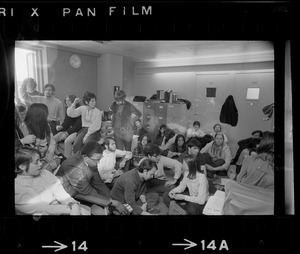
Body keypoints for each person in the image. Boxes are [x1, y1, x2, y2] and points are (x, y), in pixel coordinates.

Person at [56, 140, 129, 215]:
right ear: (85, 156)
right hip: (69, 197)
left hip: (81, 192)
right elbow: (87, 192)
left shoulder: (91, 161)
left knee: (107, 209)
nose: (98, 163)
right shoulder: (74, 167)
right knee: (101, 212)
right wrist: (113, 203)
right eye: (96, 160)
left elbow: (99, 183)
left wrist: (110, 200)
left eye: (100, 159)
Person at [15, 146, 90, 215]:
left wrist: (72, 203)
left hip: (62, 208)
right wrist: (71, 209)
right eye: (36, 162)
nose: (40, 164)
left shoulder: (43, 172)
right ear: (22, 166)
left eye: (40, 160)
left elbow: (59, 192)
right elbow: (42, 209)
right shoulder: (17, 189)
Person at [23, 103, 61, 173]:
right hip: (34, 158)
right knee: (42, 172)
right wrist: (39, 159)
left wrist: (51, 153)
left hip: (46, 155)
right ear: (39, 116)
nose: (47, 116)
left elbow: (52, 141)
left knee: (56, 162)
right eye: (45, 115)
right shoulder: (25, 127)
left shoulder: (46, 125)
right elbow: (28, 150)